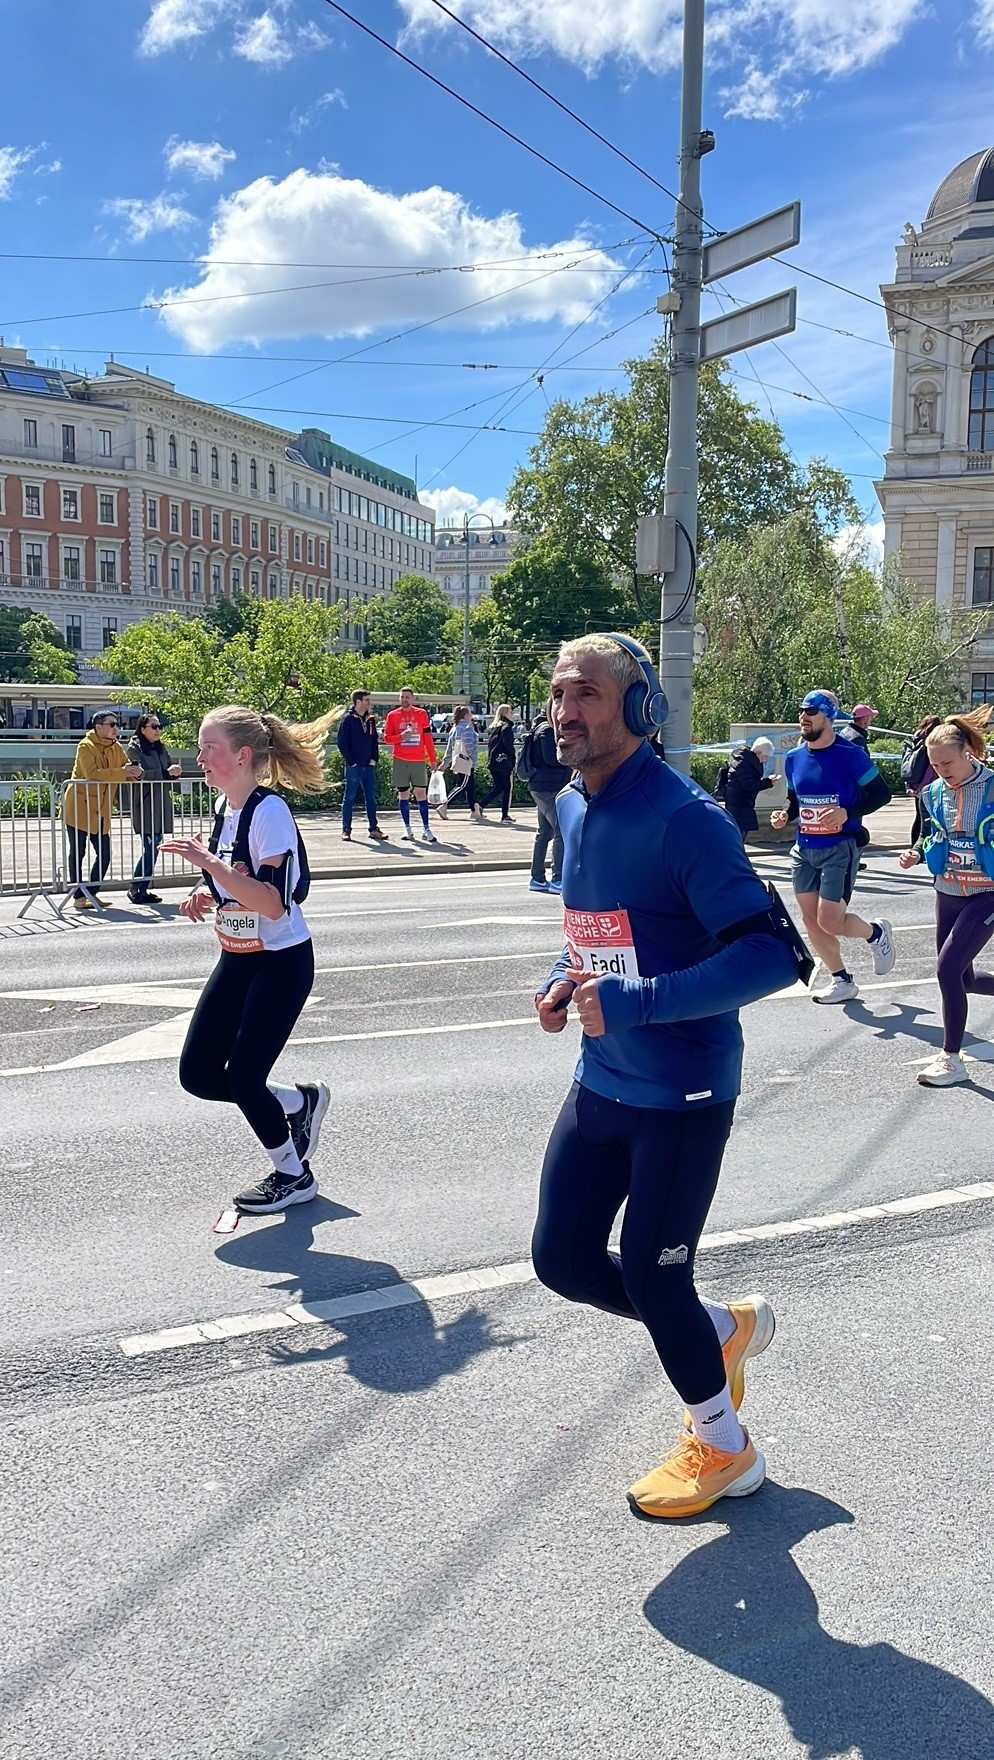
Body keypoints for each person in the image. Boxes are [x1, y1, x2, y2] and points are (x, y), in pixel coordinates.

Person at [532, 633, 799, 1521]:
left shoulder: (687, 818)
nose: (566, 713)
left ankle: (727, 1448)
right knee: (562, 1261)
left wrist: (639, 1002)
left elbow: (772, 955)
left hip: (683, 1094)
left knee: (653, 1278)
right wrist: (564, 981)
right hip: (601, 1079)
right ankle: (720, 1332)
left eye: (588, 696)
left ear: (642, 708)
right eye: (560, 695)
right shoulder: (572, 807)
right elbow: (604, 933)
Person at [160, 705, 333, 1215]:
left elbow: (273, 901)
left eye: (208, 746)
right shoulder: (224, 809)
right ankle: (300, 1102)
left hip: (281, 961)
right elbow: (233, 881)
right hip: (237, 956)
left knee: (244, 1077)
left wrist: (208, 865)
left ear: (241, 755)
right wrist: (203, 889)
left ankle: (292, 1175)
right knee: (197, 1073)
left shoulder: (269, 812)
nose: (200, 756)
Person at [771, 690, 895, 1003]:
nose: (803, 717)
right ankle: (842, 980)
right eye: (801, 711)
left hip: (840, 847)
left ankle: (875, 934)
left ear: (828, 716)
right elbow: (796, 800)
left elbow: (882, 794)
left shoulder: (850, 754)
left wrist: (847, 813)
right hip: (804, 848)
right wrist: (784, 815)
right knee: (811, 921)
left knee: (830, 920)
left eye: (811, 711)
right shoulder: (795, 758)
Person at [898, 708, 994, 1087]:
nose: (941, 771)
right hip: (949, 890)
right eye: (934, 765)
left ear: (967, 751)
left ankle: (951, 1059)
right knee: (964, 978)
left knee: (946, 970)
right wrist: (916, 854)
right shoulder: (933, 792)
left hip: (987, 893)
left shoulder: (992, 786)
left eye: (947, 763)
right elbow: (929, 835)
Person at [62, 712, 143, 910]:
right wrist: (123, 772)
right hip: (80, 806)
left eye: (118, 724)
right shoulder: (85, 746)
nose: (117, 728)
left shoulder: (116, 747)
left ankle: (90, 892)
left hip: (102, 809)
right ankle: (79, 897)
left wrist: (135, 773)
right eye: (112, 724)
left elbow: (124, 769)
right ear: (98, 727)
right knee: (78, 852)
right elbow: (92, 774)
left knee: (105, 853)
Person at [126, 712, 182, 904]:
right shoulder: (134, 748)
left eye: (159, 727)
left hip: (160, 803)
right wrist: (165, 773)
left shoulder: (160, 748)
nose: (158, 730)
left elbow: (167, 768)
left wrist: (174, 771)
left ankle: (142, 887)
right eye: (154, 727)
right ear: (143, 729)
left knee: (156, 847)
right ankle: (136, 887)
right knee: (151, 847)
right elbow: (137, 774)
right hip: (145, 803)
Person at [518, 701, 571, 893]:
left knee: (545, 833)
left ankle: (538, 877)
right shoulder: (548, 731)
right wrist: (570, 760)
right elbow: (552, 759)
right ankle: (558, 878)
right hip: (550, 786)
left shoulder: (538, 729)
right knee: (561, 831)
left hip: (540, 785)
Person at [382, 686, 438, 844]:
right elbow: (386, 738)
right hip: (400, 760)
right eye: (402, 697)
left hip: (418, 760)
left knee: (421, 794)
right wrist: (401, 736)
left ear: (412, 699)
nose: (405, 699)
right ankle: (407, 829)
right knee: (403, 794)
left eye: (407, 697)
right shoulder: (392, 716)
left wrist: (432, 759)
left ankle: (426, 829)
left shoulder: (421, 714)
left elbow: (427, 737)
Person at [336, 688, 387, 843]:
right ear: (358, 701)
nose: (368, 703)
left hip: (368, 765)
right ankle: (346, 830)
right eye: (366, 700)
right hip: (354, 766)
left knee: (371, 798)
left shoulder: (370, 720)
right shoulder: (348, 719)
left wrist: (374, 758)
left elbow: (373, 741)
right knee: (349, 798)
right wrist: (351, 761)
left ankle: (373, 828)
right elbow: (342, 742)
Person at [714, 737, 776, 840]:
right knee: (738, 838)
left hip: (738, 804)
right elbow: (749, 785)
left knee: (738, 836)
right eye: (765, 756)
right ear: (758, 753)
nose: (765, 760)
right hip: (739, 805)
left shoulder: (744, 759)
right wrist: (768, 782)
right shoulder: (745, 763)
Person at [902, 715, 941, 845]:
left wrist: (911, 786)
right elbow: (930, 769)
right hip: (927, 785)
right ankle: (922, 847)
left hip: (916, 783)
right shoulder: (930, 742)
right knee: (927, 818)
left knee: (919, 816)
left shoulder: (916, 739)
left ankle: (914, 845)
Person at [441, 704, 482, 819]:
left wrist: (445, 762)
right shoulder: (468, 728)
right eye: (470, 713)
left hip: (458, 760)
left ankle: (474, 810)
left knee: (470, 786)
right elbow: (469, 747)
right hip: (466, 762)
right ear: (466, 715)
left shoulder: (455, 728)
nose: (471, 716)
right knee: (462, 785)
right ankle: (444, 805)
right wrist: (472, 759)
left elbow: (450, 748)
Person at [479, 703, 516, 822]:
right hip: (503, 761)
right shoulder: (507, 728)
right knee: (506, 788)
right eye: (510, 712)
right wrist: (512, 760)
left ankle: (481, 805)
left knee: (499, 787)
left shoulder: (493, 727)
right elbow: (509, 746)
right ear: (505, 713)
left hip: (493, 761)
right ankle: (505, 815)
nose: (512, 715)